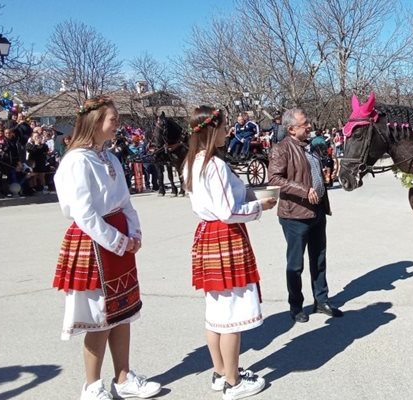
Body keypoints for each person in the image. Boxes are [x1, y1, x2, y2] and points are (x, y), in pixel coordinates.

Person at [52, 96, 161, 399]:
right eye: (113, 119)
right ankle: (92, 385)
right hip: (95, 242)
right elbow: (84, 213)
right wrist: (118, 241)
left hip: (119, 240)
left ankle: (123, 378)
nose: (118, 124)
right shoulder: (76, 160)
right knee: (99, 318)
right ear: (95, 122)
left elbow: (125, 200)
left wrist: (134, 232)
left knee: (122, 312)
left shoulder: (109, 157)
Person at [183, 106, 275, 400]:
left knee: (216, 311)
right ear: (213, 130)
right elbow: (228, 212)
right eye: (224, 127)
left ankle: (221, 372)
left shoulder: (192, 163)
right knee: (232, 312)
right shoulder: (215, 165)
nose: (228, 132)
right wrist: (259, 206)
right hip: (225, 237)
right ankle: (234, 383)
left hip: (207, 235)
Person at [267, 108, 342, 323]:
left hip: (317, 211)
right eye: (304, 123)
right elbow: (274, 179)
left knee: (319, 259)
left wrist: (327, 175)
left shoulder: (311, 146)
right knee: (296, 264)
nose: (309, 126)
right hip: (295, 216)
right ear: (291, 129)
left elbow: (314, 171)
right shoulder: (281, 150)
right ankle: (296, 305)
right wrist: (303, 190)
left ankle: (321, 300)